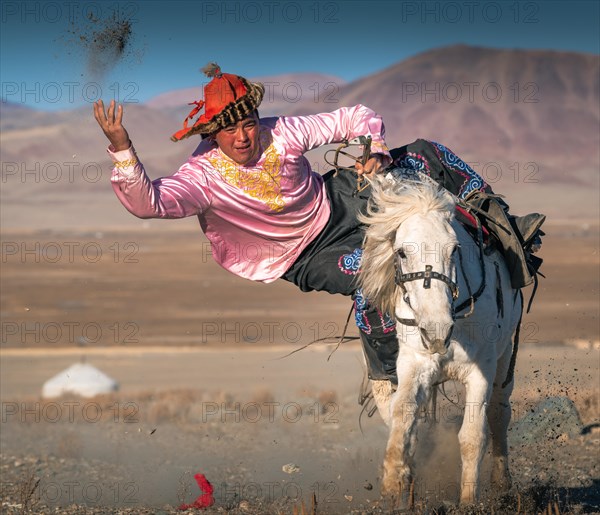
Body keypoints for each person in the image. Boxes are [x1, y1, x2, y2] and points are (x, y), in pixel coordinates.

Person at [93, 63, 400, 383]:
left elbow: (353, 118)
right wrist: (122, 149)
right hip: (301, 254)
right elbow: (149, 204)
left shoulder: (281, 132)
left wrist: (375, 148)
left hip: (335, 203)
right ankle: (393, 374)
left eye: (249, 125)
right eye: (230, 130)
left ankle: (461, 221)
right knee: (375, 278)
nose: (242, 137)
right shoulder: (202, 177)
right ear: (212, 133)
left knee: (419, 157)